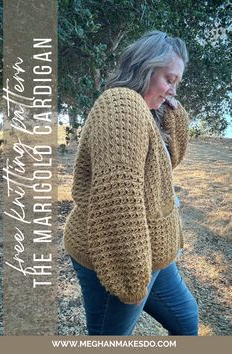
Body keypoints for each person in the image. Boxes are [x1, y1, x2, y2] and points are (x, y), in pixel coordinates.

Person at [63, 30, 199, 336]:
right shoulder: (121, 106)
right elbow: (117, 201)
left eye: (177, 82)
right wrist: (131, 281)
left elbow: (166, 166)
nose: (172, 91)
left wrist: (171, 111)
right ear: (145, 68)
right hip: (117, 257)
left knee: (186, 317)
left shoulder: (146, 111)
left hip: (154, 255)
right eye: (169, 79)